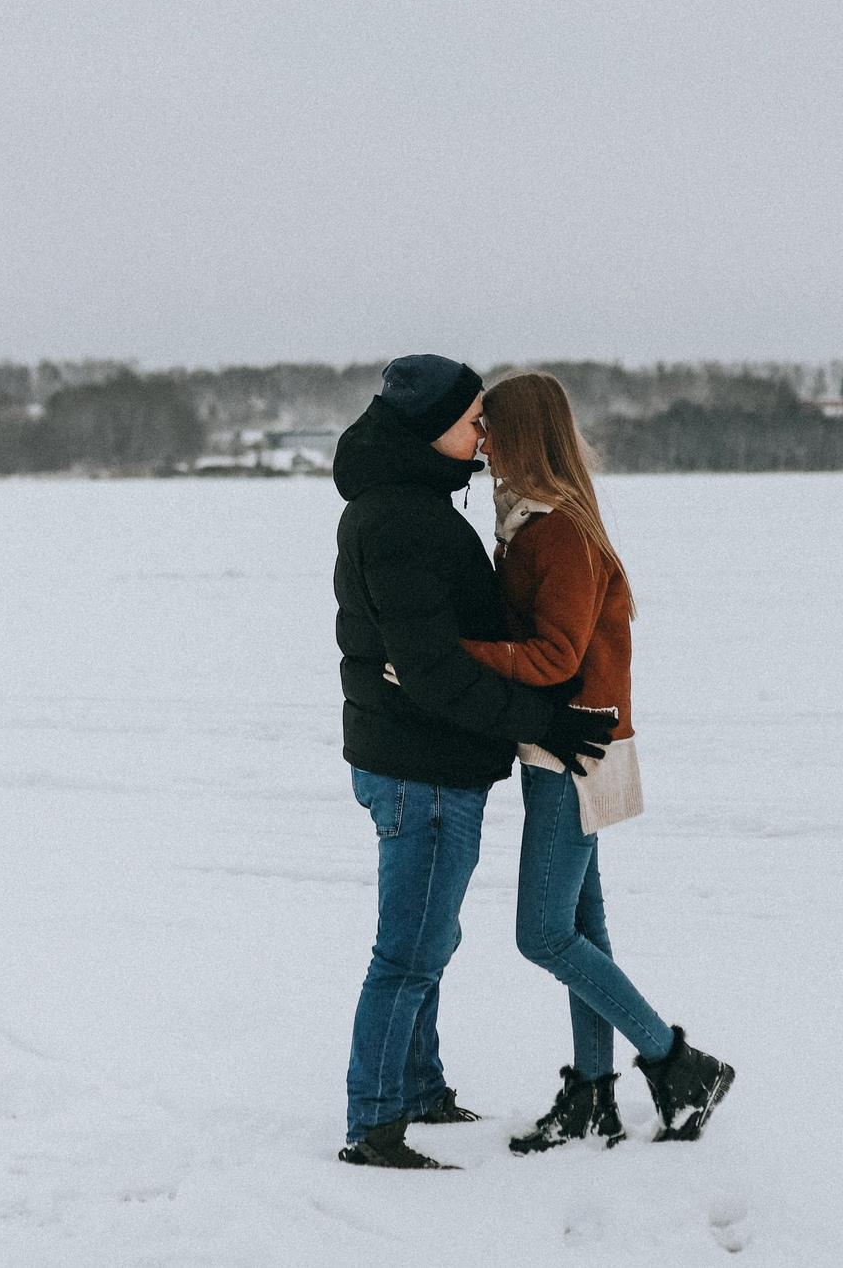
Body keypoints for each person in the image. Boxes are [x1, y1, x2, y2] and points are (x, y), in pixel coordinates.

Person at [332, 354, 618, 1171]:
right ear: (434, 430)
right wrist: (541, 721)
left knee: (431, 935)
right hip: (417, 767)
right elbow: (432, 667)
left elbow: (421, 658)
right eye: (472, 421)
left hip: (425, 758)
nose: (483, 435)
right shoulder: (404, 521)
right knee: (409, 948)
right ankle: (376, 1122)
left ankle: (417, 1085)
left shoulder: (410, 507)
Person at [463, 371, 734, 1150]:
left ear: (523, 437)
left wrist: (448, 654)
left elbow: (554, 655)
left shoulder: (559, 532)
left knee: (543, 933)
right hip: (566, 746)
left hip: (576, 754)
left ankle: (680, 1063)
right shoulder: (531, 522)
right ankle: (590, 1095)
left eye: (490, 428)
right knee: (584, 930)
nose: (481, 441)